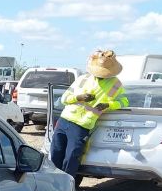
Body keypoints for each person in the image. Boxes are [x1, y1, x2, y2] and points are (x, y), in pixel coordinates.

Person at [51, 49, 129, 178]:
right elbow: (64, 99)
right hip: (65, 120)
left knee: (71, 157)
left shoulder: (116, 84)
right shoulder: (83, 78)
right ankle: (51, 183)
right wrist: (78, 97)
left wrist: (108, 105)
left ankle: (66, 186)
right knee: (55, 154)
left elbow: (124, 102)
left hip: (82, 125)